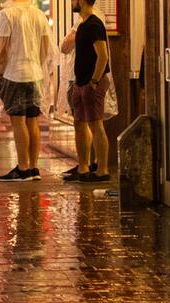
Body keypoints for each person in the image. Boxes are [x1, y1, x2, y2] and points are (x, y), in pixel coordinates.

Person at [0, 0, 49, 182]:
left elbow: (1, 50)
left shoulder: (7, 14)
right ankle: (33, 167)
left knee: (18, 122)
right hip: (35, 73)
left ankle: (22, 168)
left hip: (14, 74)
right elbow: (45, 48)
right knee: (33, 121)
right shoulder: (39, 14)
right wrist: (37, 65)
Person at [64, 0, 110, 182]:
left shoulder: (94, 24)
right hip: (81, 82)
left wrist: (94, 81)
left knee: (96, 125)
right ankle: (83, 168)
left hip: (92, 83)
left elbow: (103, 56)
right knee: (79, 124)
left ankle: (102, 171)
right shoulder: (83, 25)